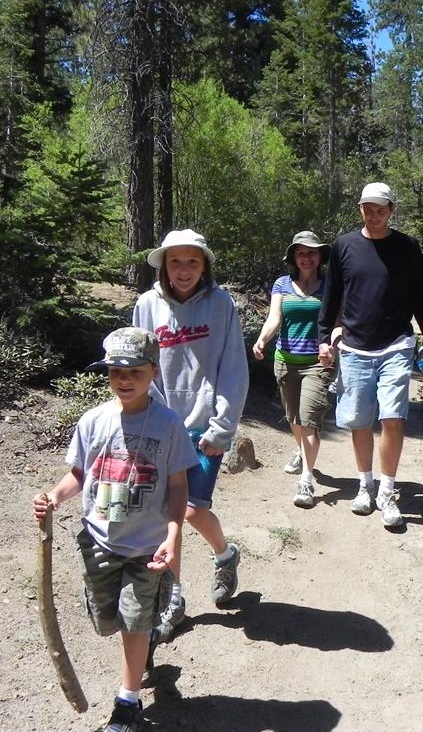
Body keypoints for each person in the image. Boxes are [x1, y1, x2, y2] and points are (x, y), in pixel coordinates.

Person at [31, 327, 197, 732]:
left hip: (147, 546)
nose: (124, 380)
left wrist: (173, 534)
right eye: (115, 372)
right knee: (109, 620)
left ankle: (128, 702)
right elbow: (78, 474)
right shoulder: (93, 421)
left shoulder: (169, 425)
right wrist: (54, 496)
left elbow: (178, 486)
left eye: (135, 372)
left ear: (154, 372)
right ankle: (146, 645)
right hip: (99, 542)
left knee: (133, 623)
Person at [132, 228, 249, 642]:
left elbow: (233, 367)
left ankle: (224, 554)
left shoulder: (221, 305)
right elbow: (138, 365)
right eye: (175, 262)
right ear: (164, 265)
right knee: (169, 516)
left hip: (204, 427)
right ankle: (173, 599)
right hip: (160, 426)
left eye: (192, 262)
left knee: (190, 511)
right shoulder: (146, 305)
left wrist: (222, 428)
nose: (183, 270)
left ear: (205, 266)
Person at [317, 182, 423, 529]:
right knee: (358, 419)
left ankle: (386, 491)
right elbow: (333, 295)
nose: (374, 215)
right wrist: (325, 337)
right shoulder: (344, 246)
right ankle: (364, 485)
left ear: (392, 211)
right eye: (368, 208)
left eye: (381, 209)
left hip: (397, 344)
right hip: (354, 346)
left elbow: (420, 296)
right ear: (360, 209)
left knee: (393, 417)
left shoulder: (407, 247)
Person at [252, 230, 337, 508]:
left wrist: (333, 346)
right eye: (301, 253)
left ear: (320, 256)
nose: (307, 257)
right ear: (294, 258)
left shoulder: (330, 286)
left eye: (312, 252)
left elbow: (339, 322)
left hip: (317, 363)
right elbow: (274, 318)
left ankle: (306, 480)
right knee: (294, 418)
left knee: (310, 422)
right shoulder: (282, 284)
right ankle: (301, 452)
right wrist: (262, 340)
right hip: (285, 360)